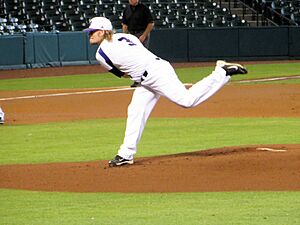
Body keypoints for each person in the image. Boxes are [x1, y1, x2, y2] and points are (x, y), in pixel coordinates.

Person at [84, 17, 248, 167]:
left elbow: (123, 74)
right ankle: (126, 154)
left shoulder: (101, 54)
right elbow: (137, 55)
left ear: (102, 31)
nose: (89, 35)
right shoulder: (126, 37)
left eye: (92, 32)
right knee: (136, 110)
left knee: (187, 101)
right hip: (151, 73)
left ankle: (221, 72)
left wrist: (138, 73)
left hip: (154, 75)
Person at [122, 0, 154, 88]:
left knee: (142, 58)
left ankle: (145, 79)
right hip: (131, 35)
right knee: (132, 58)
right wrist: (125, 37)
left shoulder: (144, 8)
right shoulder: (126, 9)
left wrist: (144, 35)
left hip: (141, 33)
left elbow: (151, 24)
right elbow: (125, 25)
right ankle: (137, 80)